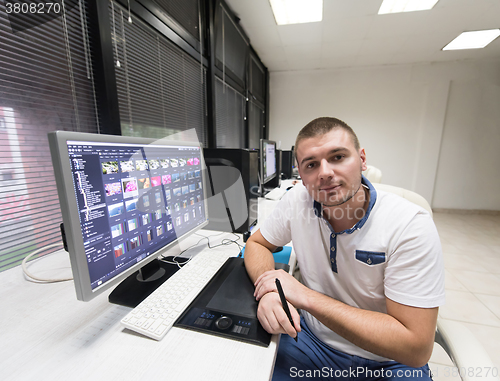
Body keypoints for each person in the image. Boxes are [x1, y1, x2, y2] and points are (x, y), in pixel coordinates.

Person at [244, 117, 445, 380]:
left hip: (389, 362)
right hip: (309, 343)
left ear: (362, 160)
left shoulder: (409, 225)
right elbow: (257, 243)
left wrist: (304, 296)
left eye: (337, 157)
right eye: (311, 164)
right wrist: (270, 290)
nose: (325, 172)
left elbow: (415, 348)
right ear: (301, 175)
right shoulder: (297, 201)